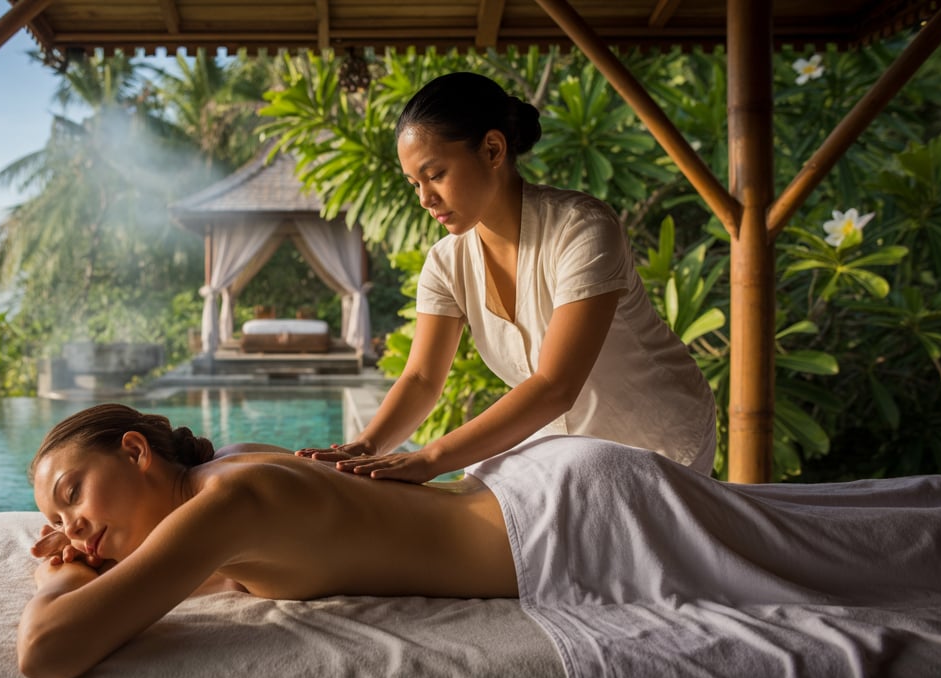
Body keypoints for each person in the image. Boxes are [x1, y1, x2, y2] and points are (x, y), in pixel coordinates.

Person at [16, 404, 941, 678]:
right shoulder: (231, 476)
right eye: (55, 522)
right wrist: (90, 551)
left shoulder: (220, 507)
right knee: (819, 532)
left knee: (844, 561)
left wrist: (57, 580)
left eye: (72, 495)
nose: (71, 527)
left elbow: (51, 653)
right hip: (549, 496)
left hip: (573, 526)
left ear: (136, 451)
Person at [299, 71, 716, 481]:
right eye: (414, 183)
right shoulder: (446, 263)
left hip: (662, 439)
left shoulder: (582, 229)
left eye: (436, 175)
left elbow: (556, 385)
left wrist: (430, 458)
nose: (425, 198)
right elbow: (422, 378)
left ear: (493, 150)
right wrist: (366, 445)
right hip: (570, 449)